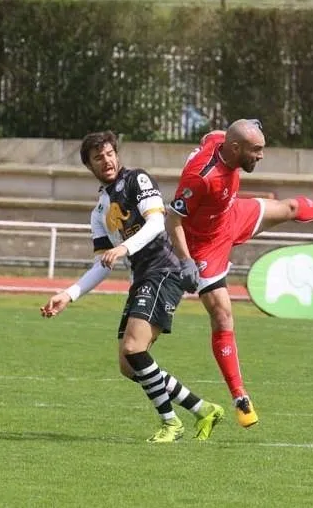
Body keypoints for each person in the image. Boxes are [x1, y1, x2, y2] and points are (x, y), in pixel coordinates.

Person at [166, 119, 313, 428]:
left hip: (230, 216)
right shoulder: (201, 178)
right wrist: (185, 261)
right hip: (203, 245)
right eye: (256, 150)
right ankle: (240, 397)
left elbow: (210, 136)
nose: (260, 156)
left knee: (287, 208)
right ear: (235, 148)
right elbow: (173, 219)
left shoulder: (222, 140)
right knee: (222, 314)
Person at [41, 131, 225, 443]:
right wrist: (68, 294)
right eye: (99, 157)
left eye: (110, 153)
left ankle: (171, 424)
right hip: (142, 277)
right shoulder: (99, 211)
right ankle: (202, 408)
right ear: (89, 165)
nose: (107, 160)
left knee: (133, 348)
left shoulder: (137, 180)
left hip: (164, 269)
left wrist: (124, 248)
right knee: (129, 365)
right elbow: (103, 264)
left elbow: (157, 223)